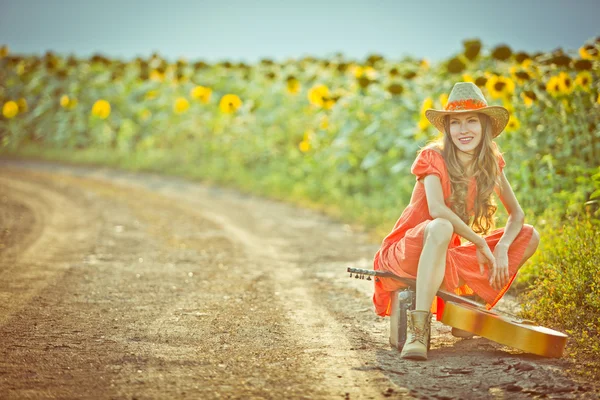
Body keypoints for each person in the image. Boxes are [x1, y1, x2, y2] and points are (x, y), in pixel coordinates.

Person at [372, 82, 540, 361]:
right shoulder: (433, 157)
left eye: (471, 121)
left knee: (528, 234)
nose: (464, 130)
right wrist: (479, 243)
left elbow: (516, 214)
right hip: (408, 250)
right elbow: (437, 209)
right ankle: (418, 330)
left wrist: (500, 248)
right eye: (455, 123)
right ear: (447, 129)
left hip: (444, 254)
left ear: (485, 125)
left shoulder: (490, 161)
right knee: (441, 226)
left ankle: (469, 309)